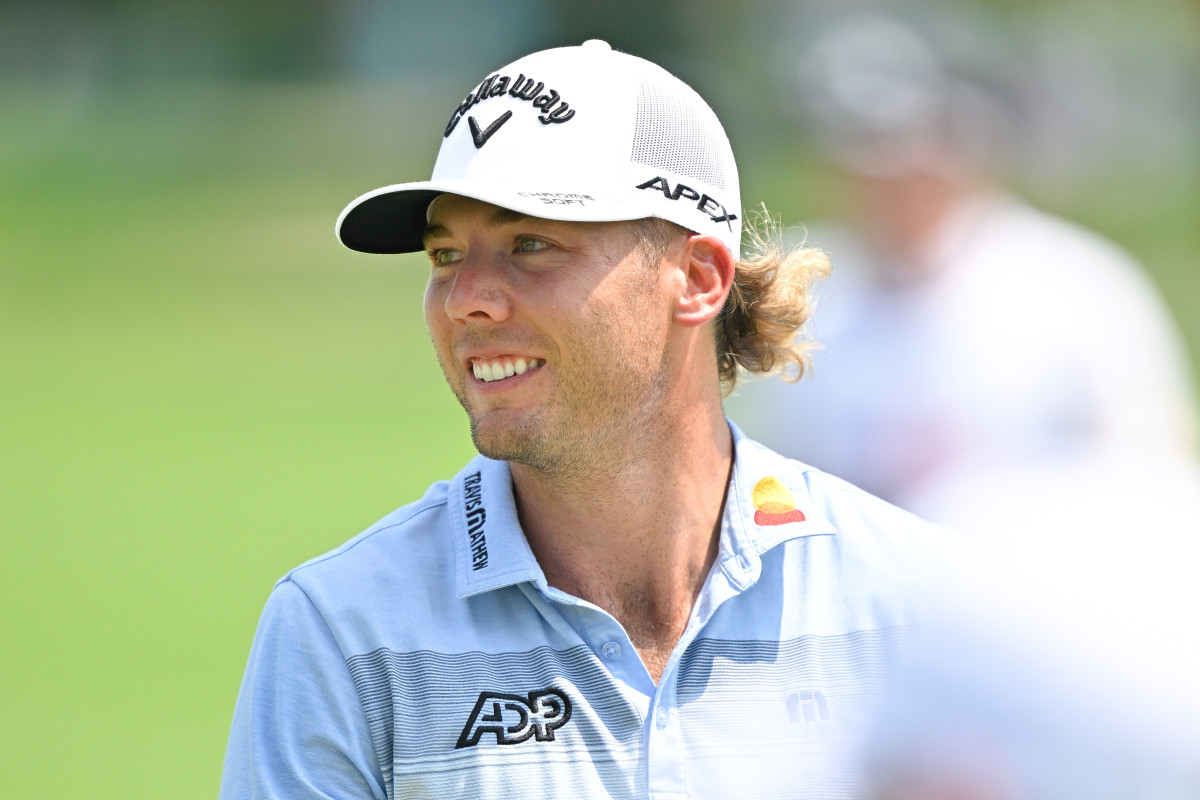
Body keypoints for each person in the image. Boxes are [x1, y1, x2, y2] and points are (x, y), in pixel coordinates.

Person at [218, 40, 954, 799]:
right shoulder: (343, 632)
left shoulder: (919, 603)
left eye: (530, 245)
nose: (467, 297)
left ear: (697, 279)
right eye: (444, 256)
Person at [728, 9, 1199, 511]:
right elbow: (767, 469)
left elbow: (1150, 467)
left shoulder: (1077, 287)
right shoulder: (808, 286)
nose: (895, 178)